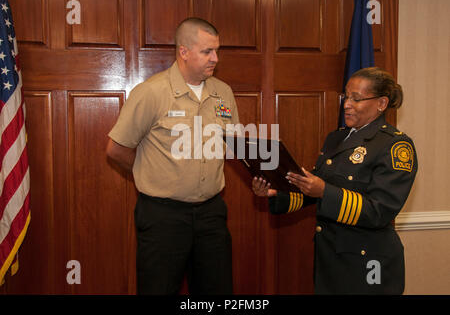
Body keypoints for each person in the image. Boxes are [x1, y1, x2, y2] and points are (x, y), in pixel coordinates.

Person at [252, 67, 418, 294]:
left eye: (356, 99)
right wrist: (276, 192)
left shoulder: (395, 146)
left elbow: (379, 211)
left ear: (381, 104)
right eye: (346, 96)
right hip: (332, 257)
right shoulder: (336, 138)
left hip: (368, 260)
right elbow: (315, 187)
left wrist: (323, 191)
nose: (347, 104)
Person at [106, 17, 239, 295]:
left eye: (217, 50)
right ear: (183, 51)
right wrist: (150, 173)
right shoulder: (152, 92)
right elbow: (116, 149)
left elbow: (232, 145)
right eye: (207, 52)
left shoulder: (223, 93)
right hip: (163, 217)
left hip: (211, 215)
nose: (215, 58)